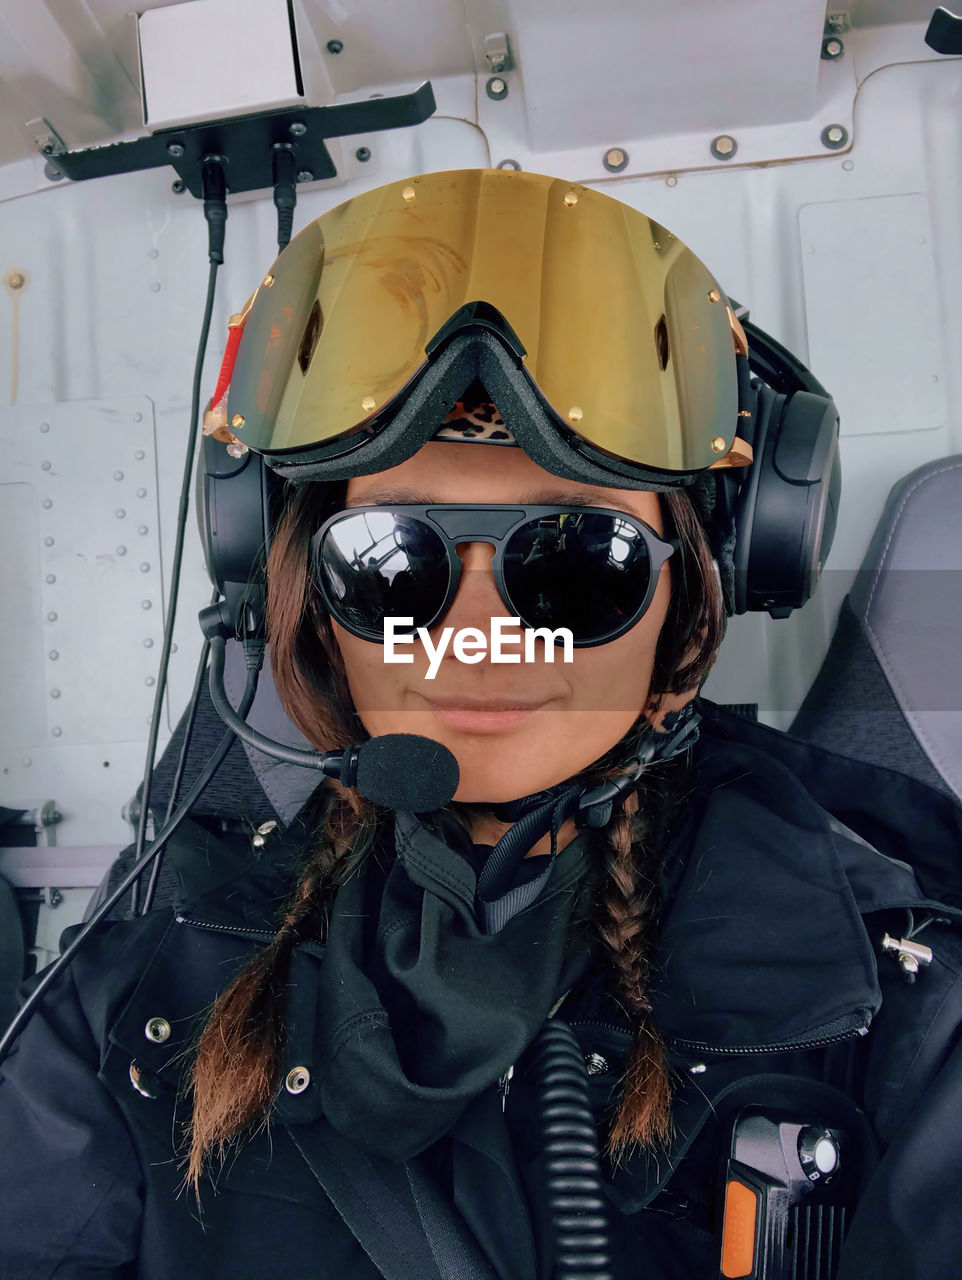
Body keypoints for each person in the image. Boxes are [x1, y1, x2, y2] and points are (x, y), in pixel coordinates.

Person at [1, 168, 961, 1280]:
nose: (474, 631)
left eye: (572, 563)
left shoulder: (894, 985)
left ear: (692, 592)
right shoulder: (164, 953)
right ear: (309, 605)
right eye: (390, 563)